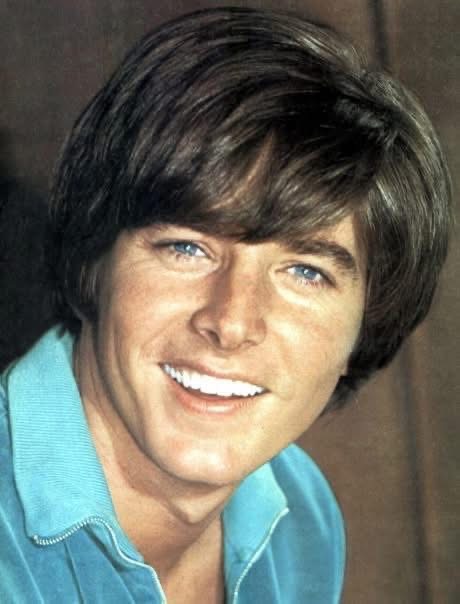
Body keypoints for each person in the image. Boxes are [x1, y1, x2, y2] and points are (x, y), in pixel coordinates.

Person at [0, 6, 451, 603]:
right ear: (94, 262)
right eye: (187, 248)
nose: (231, 322)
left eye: (305, 272)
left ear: (364, 328)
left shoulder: (301, 515)